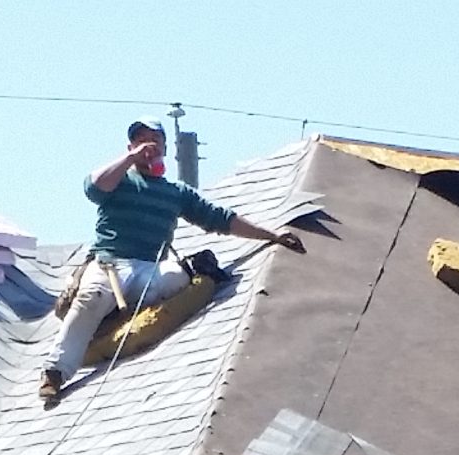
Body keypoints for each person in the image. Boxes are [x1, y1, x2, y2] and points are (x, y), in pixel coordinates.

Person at [43, 121, 305, 405]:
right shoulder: (119, 181)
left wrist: (272, 235)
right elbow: (94, 186)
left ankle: (120, 314)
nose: (149, 145)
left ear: (165, 148)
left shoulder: (175, 192)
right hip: (110, 263)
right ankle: (55, 373)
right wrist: (131, 159)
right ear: (130, 147)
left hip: (148, 268)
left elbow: (220, 218)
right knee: (91, 298)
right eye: (141, 140)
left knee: (179, 278)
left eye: (155, 140)